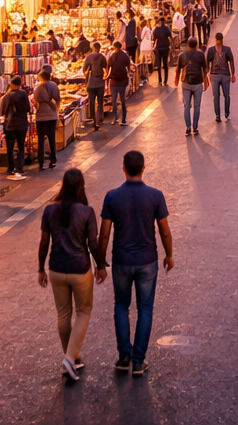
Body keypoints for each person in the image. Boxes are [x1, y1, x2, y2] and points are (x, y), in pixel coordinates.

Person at [98, 150, 173, 378]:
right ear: (143, 168)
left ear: (123, 168)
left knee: (121, 306)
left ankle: (124, 356)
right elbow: (164, 230)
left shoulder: (112, 196)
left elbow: (104, 234)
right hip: (147, 260)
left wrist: (100, 262)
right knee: (145, 309)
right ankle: (139, 361)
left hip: (121, 260)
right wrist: (169, 254)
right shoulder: (155, 195)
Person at [39, 168, 105, 383]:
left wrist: (41, 268)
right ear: (80, 186)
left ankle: (73, 358)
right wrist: (101, 265)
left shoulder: (49, 210)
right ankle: (69, 357)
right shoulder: (86, 212)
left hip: (56, 268)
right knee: (84, 311)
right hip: (80, 268)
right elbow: (92, 243)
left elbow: (43, 244)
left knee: (63, 314)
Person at [0, 76, 31, 181]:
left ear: (12, 84)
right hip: (22, 124)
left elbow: (2, 112)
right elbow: (28, 109)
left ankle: (10, 167)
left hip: (10, 125)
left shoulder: (6, 96)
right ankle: (20, 168)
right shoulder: (23, 95)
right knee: (21, 146)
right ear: (20, 84)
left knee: (10, 146)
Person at [176, 36, 207, 136]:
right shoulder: (201, 54)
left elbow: (178, 70)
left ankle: (188, 127)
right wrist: (206, 81)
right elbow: (205, 69)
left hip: (186, 83)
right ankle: (195, 128)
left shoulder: (182, 55)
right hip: (198, 83)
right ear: (196, 44)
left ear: (188, 44)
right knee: (197, 106)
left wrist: (176, 80)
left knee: (186, 106)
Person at [34, 67, 63, 171]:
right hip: (51, 115)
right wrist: (57, 112)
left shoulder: (37, 88)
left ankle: (41, 162)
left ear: (41, 77)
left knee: (41, 140)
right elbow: (58, 100)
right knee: (51, 138)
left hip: (40, 117)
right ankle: (53, 160)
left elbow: (35, 103)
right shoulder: (54, 86)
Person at [206, 31, 235, 123]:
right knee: (227, 95)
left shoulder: (211, 50)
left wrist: (206, 75)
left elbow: (207, 63)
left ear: (215, 39)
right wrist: (233, 74)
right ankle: (226, 113)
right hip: (225, 75)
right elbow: (232, 62)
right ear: (222, 39)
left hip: (214, 75)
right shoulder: (227, 49)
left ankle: (217, 115)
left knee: (216, 96)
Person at [84, 43, 110, 129]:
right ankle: (99, 119)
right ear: (99, 48)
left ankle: (93, 120)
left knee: (91, 102)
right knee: (100, 102)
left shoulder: (88, 57)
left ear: (93, 48)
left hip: (91, 83)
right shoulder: (102, 57)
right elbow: (105, 68)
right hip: (100, 82)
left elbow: (84, 70)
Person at [108, 40, 133, 126]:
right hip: (122, 82)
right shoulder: (125, 56)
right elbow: (128, 67)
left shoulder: (112, 56)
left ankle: (115, 117)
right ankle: (123, 120)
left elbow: (109, 68)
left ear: (115, 47)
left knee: (114, 101)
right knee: (122, 101)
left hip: (114, 82)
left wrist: (107, 77)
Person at [152, 16, 172, 86]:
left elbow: (154, 38)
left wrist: (154, 44)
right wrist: (171, 44)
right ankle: (165, 80)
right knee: (165, 64)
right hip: (166, 47)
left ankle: (160, 80)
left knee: (159, 64)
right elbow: (170, 36)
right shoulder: (167, 28)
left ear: (159, 22)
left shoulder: (156, 29)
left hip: (159, 47)